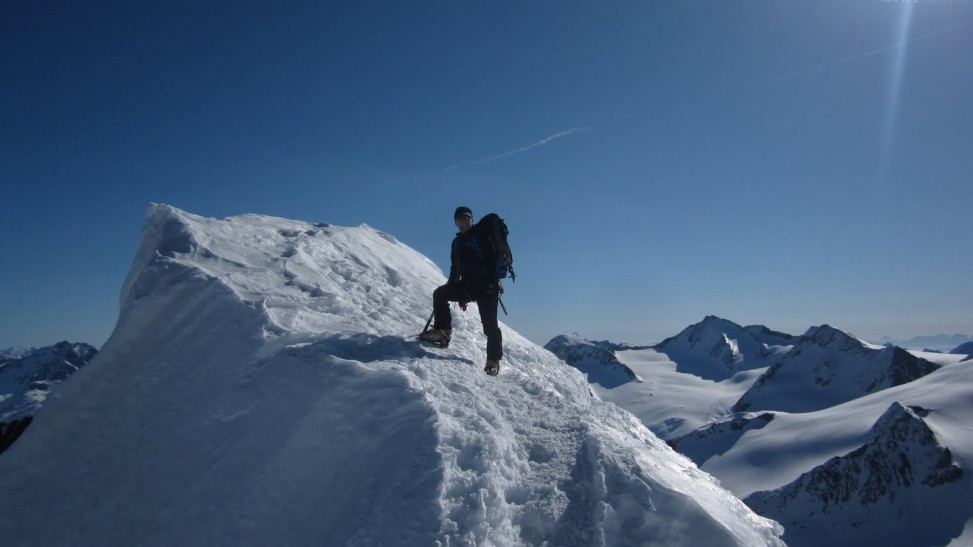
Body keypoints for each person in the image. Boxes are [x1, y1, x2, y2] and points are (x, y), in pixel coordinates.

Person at [420, 206, 503, 376]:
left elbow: (491, 263)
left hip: (487, 287)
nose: (463, 221)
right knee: (440, 294)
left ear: (472, 219)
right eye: (460, 218)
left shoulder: (481, 237)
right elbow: (455, 268)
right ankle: (442, 333)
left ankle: (493, 361)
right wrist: (452, 286)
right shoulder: (457, 243)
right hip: (468, 287)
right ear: (455, 222)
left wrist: (486, 284)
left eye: (466, 217)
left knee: (490, 327)